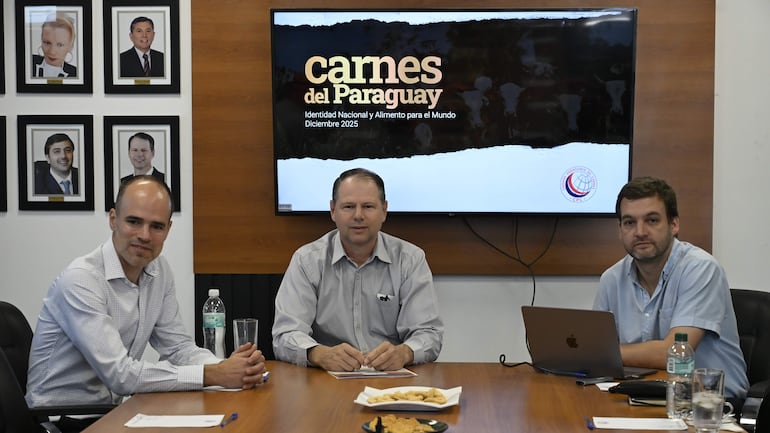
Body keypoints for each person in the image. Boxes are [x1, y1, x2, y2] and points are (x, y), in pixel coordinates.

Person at [26, 176, 267, 414]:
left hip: (111, 413)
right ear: (113, 220)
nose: (144, 235)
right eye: (134, 221)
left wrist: (234, 368)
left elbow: (178, 349)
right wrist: (214, 374)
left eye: (157, 226)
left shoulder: (159, 271)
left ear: (168, 229)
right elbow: (120, 375)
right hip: (58, 419)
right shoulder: (81, 280)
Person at [272, 168, 444, 372]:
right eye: (348, 206)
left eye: (368, 206)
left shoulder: (410, 260)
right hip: (327, 379)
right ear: (333, 210)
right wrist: (319, 354)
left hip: (391, 380)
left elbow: (429, 333)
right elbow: (285, 334)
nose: (358, 215)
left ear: (384, 210)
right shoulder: (307, 261)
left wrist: (404, 353)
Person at [593, 176, 748, 401]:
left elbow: (674, 352)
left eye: (652, 220)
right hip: (645, 399)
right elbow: (595, 348)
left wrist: (599, 355)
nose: (640, 232)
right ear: (619, 230)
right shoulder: (612, 279)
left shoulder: (701, 269)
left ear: (674, 224)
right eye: (629, 222)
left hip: (712, 407)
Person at [32, 13, 77, 78]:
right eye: (47, 43)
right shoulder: (29, 62)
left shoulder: (75, 73)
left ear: (70, 45)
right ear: (41, 40)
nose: (52, 52)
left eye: (60, 45)